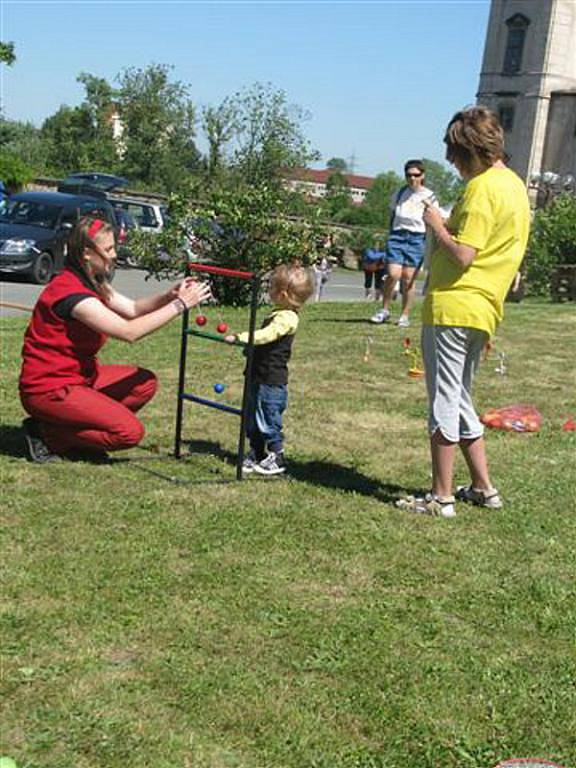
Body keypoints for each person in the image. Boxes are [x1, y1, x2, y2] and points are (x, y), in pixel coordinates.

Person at [396, 106, 530, 518]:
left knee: (443, 400)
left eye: (455, 156)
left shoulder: (481, 187)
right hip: (483, 309)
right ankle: (483, 488)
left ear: (471, 151)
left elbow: (464, 254)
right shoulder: (514, 187)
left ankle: (441, 496)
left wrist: (436, 224)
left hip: (454, 305)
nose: (453, 165)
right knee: (460, 398)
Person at [19, 215, 211, 463]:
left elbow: (132, 308)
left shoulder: (92, 282)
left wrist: (168, 295)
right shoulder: (73, 295)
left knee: (144, 383)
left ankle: (69, 426)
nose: (113, 254)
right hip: (49, 389)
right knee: (129, 433)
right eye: (108, 248)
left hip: (79, 378)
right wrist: (180, 304)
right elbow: (128, 332)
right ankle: (47, 434)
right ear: (87, 253)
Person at [225, 263, 315, 476]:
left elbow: (268, 336)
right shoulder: (278, 313)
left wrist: (242, 338)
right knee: (251, 417)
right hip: (257, 374)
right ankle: (257, 453)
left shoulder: (287, 318)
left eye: (272, 288)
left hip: (271, 380)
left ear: (282, 294)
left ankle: (277, 456)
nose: (269, 291)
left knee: (268, 417)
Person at [370, 159, 436, 327]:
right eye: (409, 175)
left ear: (423, 175)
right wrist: (390, 233)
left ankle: (404, 315)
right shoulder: (400, 193)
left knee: (408, 278)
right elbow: (392, 216)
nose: (412, 178)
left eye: (416, 175)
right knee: (393, 274)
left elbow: (434, 219)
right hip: (398, 235)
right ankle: (384, 309)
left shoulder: (429, 195)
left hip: (416, 238)